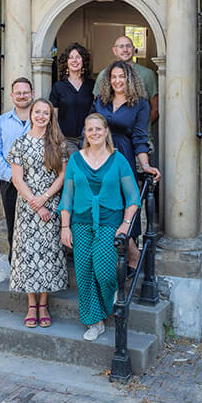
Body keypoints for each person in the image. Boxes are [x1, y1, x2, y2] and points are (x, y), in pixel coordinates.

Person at [59, 113, 141, 341]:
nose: (94, 133)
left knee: (104, 272)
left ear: (106, 132)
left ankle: (108, 299)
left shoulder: (118, 160)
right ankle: (94, 322)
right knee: (84, 273)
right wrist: (65, 226)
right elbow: (67, 195)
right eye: (90, 129)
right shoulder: (76, 160)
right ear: (85, 133)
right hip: (81, 223)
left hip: (109, 223)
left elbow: (133, 196)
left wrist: (126, 224)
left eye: (98, 129)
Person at [93, 60, 161, 274]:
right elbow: (89, 127)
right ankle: (120, 254)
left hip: (123, 156)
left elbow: (140, 137)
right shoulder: (101, 101)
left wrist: (145, 165)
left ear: (129, 78)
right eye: (113, 77)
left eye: (121, 76)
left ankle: (132, 253)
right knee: (102, 206)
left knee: (122, 205)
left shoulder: (140, 103)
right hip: (98, 155)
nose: (117, 80)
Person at [8, 98, 69, 327]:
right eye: (37, 112)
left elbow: (62, 176)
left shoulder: (58, 144)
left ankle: (44, 304)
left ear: (50, 117)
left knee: (47, 255)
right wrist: (35, 203)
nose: (41, 116)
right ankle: (31, 305)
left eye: (46, 113)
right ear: (31, 114)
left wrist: (45, 199)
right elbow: (17, 179)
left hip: (51, 205)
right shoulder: (20, 143)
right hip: (27, 208)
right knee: (28, 256)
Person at [0, 77, 33, 253]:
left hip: (38, 183)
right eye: (18, 93)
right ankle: (15, 274)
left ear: (32, 94)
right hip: (10, 183)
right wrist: (13, 176)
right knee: (14, 228)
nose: (22, 96)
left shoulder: (43, 118)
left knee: (38, 228)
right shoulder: (1, 122)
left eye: (25, 92)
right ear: (12, 95)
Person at [93, 34, 159, 137]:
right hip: (110, 139)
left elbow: (155, 109)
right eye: (121, 46)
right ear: (114, 51)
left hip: (141, 138)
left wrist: (138, 128)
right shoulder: (104, 75)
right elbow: (97, 108)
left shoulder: (147, 74)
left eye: (128, 46)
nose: (125, 50)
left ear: (133, 49)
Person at [49, 43, 94, 156]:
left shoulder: (91, 85)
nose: (75, 60)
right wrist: (58, 138)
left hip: (89, 138)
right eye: (71, 57)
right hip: (67, 139)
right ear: (66, 63)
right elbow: (54, 116)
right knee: (76, 167)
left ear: (83, 61)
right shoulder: (58, 86)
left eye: (78, 57)